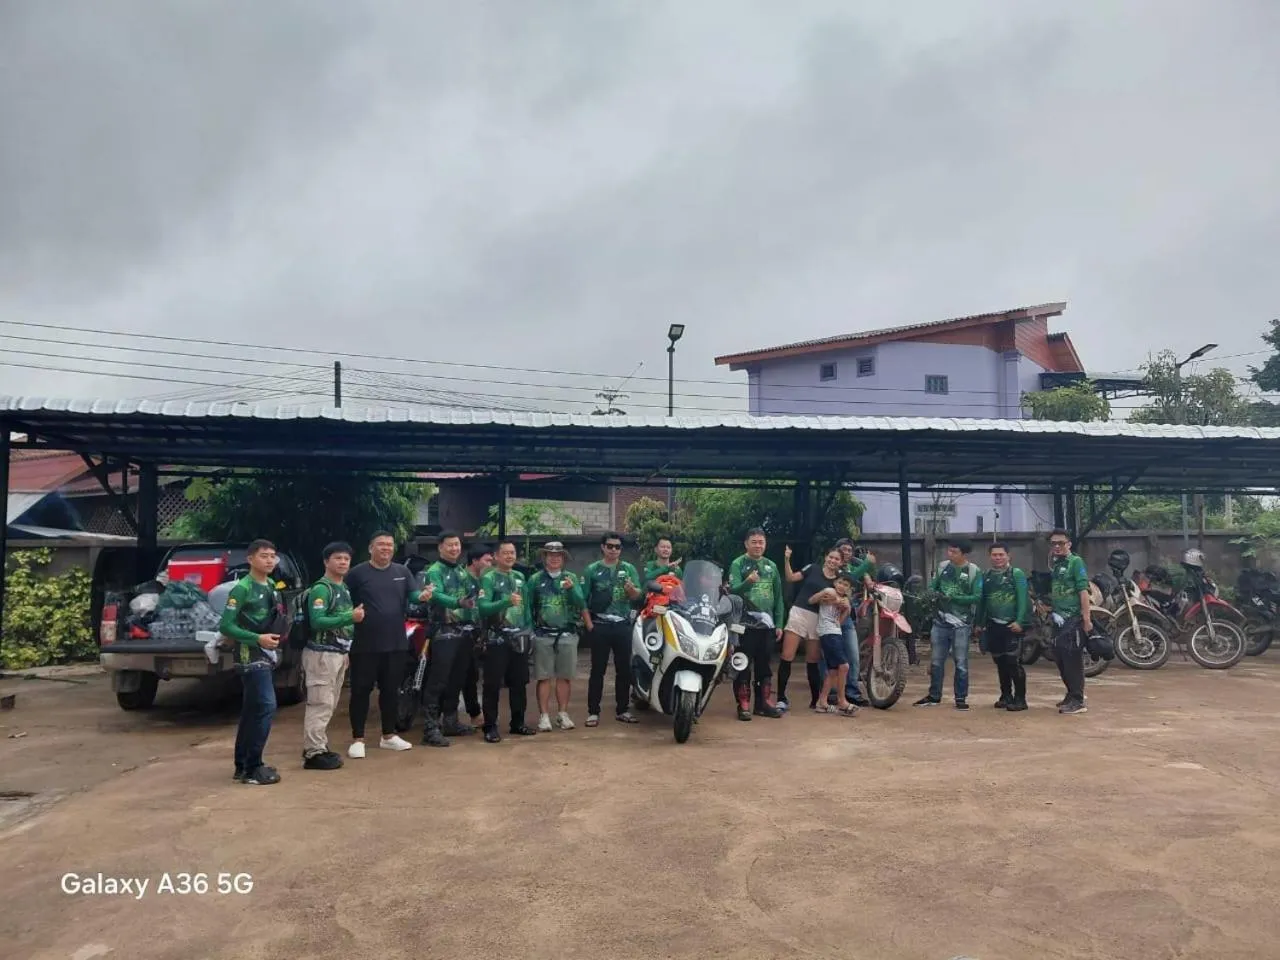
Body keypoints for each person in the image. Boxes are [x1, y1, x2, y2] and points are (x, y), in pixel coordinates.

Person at [346, 531, 427, 756]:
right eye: (381, 544)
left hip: (396, 643)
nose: (386, 548)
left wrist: (422, 596)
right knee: (361, 691)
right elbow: (345, 601)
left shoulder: (402, 572)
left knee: (391, 691)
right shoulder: (356, 573)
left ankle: (388, 735)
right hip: (364, 644)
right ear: (371, 548)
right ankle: (358, 739)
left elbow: (413, 595)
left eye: (389, 545)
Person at [219, 539, 286, 785]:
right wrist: (257, 638)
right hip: (249, 656)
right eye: (264, 556)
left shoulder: (270, 584)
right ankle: (253, 766)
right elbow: (225, 625)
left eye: (272, 556)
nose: (269, 560)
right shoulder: (242, 588)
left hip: (267, 654)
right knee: (266, 706)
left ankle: (243, 765)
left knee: (251, 711)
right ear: (250, 559)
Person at [301, 541, 365, 770]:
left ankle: (319, 745)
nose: (343, 562)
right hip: (321, 654)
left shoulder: (343, 588)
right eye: (338, 558)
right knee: (320, 702)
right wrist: (351, 618)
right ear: (326, 561)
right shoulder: (322, 588)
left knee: (330, 702)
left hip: (337, 653)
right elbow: (318, 621)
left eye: (346, 559)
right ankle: (313, 752)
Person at [419, 531, 480, 747]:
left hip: (464, 632)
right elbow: (435, 595)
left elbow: (472, 597)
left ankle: (451, 722)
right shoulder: (434, 571)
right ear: (440, 548)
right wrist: (457, 602)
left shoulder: (462, 571)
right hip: (443, 632)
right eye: (450, 545)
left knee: (457, 679)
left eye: (457, 545)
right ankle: (430, 728)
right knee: (438, 681)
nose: (454, 549)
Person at [476, 540, 538, 742]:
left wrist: (529, 629)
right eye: (505, 553)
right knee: (492, 684)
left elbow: (526, 606)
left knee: (519, 682)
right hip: (497, 638)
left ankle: (518, 723)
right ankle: (490, 726)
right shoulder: (489, 578)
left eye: (512, 552)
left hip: (519, 637)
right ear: (496, 556)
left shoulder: (520, 577)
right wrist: (505, 601)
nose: (510, 556)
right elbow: (483, 608)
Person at [582, 531, 643, 727]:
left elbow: (637, 596)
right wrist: (589, 624)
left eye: (617, 547)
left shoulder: (629, 568)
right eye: (610, 546)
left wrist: (631, 590)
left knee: (623, 670)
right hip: (600, 624)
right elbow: (583, 598)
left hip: (622, 624)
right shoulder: (592, 570)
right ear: (603, 547)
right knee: (597, 670)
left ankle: (623, 709)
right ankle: (593, 712)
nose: (613, 550)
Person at [915, 538, 983, 710]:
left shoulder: (974, 571)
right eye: (949, 551)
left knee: (961, 661)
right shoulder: (943, 567)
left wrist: (955, 598)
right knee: (936, 660)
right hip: (940, 620)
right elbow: (933, 587)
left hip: (961, 623)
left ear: (963, 553)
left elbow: (977, 596)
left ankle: (960, 698)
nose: (950, 554)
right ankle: (934, 695)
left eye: (954, 552)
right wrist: (931, 596)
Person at [527, 541, 587, 731]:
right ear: (544, 557)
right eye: (550, 555)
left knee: (564, 676)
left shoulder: (571, 578)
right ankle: (544, 716)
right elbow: (528, 606)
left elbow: (581, 602)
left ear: (563, 558)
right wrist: (530, 631)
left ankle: (562, 713)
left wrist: (572, 589)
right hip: (543, 633)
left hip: (567, 633)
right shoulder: (535, 579)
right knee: (543, 677)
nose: (554, 558)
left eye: (558, 555)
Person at [778, 545, 845, 711]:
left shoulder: (840, 581)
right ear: (826, 557)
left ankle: (816, 700)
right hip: (800, 612)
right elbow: (791, 578)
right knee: (787, 655)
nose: (833, 561)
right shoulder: (813, 568)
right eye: (831, 557)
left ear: (841, 563)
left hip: (820, 619)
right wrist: (787, 559)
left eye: (837, 559)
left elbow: (844, 600)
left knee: (813, 659)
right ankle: (780, 698)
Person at [727, 528, 785, 720]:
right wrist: (748, 582)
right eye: (754, 542)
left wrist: (778, 623)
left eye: (761, 542)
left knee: (765, 665)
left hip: (766, 624)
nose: (758, 545)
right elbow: (733, 592)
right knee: (743, 663)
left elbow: (778, 597)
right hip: (744, 624)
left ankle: (763, 703)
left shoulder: (771, 566)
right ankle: (743, 704)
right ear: (746, 544)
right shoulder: (738, 564)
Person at [976, 542, 1030, 712]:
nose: (998, 558)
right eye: (994, 555)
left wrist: (1020, 621)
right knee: (1000, 661)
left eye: (1001, 555)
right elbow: (982, 602)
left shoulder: (1016, 574)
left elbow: (1023, 600)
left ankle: (1020, 699)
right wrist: (979, 623)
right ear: (989, 556)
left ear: (1008, 556)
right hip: (993, 625)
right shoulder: (987, 576)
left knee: (1013, 662)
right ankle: (1006, 696)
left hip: (1012, 625)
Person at [1047, 528, 1093, 715]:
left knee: (1072, 659)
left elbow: (1083, 591)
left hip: (1073, 618)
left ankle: (1078, 700)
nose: (1057, 546)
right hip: (1058, 619)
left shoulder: (1076, 562)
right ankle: (1070, 693)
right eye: (1053, 544)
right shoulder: (1057, 565)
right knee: (1060, 658)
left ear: (1069, 544)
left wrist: (1086, 618)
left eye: (1060, 543)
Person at [455, 544, 493, 729]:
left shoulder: (484, 580)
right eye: (487, 560)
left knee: (472, 673)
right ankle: (466, 713)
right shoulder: (462, 578)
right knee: (462, 674)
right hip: (460, 630)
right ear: (475, 560)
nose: (490, 564)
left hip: (477, 632)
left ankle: (474, 712)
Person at [813, 572, 859, 716]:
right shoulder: (830, 591)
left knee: (833, 671)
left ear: (849, 588)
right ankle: (842, 701)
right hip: (828, 633)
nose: (842, 586)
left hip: (834, 631)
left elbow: (840, 620)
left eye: (846, 585)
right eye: (840, 582)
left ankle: (822, 702)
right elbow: (811, 600)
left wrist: (847, 609)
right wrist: (829, 599)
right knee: (844, 666)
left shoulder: (845, 599)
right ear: (834, 583)